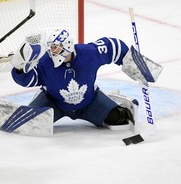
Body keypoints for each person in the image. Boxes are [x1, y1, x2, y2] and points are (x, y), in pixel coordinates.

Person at [9, 29, 143, 132]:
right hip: (53, 103)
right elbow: (29, 80)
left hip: (89, 102)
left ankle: (113, 102)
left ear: (67, 45)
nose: (52, 51)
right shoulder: (45, 61)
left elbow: (113, 47)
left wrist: (135, 63)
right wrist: (20, 68)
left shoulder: (88, 53)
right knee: (28, 122)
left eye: (56, 47)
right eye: (51, 47)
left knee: (118, 118)